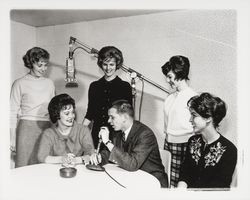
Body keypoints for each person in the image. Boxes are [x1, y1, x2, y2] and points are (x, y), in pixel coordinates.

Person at [90, 100, 169, 188]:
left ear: (124, 117)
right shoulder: (118, 132)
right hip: (133, 179)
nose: (109, 121)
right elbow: (110, 153)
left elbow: (132, 164)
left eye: (112, 117)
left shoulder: (145, 134)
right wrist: (99, 157)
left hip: (153, 181)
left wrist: (108, 142)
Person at [177, 93, 237, 188]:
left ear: (208, 118)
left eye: (194, 115)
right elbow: (185, 173)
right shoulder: (193, 141)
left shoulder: (229, 150)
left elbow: (219, 188)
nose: (190, 120)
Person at [10, 47, 55, 168]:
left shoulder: (49, 83)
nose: (44, 69)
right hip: (26, 128)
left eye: (46, 65)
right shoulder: (19, 83)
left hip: (46, 128)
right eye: (40, 65)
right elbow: (12, 113)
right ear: (31, 63)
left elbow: (53, 111)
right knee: (24, 166)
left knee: (44, 166)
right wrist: (12, 138)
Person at [83, 46, 132, 149]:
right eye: (105, 64)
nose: (108, 68)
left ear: (117, 65)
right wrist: (79, 131)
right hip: (96, 135)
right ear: (101, 64)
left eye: (111, 64)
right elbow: (90, 113)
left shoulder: (125, 87)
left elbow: (128, 116)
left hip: (116, 136)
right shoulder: (94, 86)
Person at [161, 55, 197, 187]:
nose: (167, 80)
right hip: (169, 143)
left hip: (184, 145)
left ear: (180, 74)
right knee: (167, 181)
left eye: (170, 76)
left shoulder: (192, 97)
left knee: (180, 184)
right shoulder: (171, 97)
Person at [37, 93, 95, 166]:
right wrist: (62, 159)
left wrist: (75, 160)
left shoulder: (83, 130)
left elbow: (91, 154)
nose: (71, 116)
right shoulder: (48, 133)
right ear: (57, 114)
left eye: (72, 112)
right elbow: (41, 157)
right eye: (67, 113)